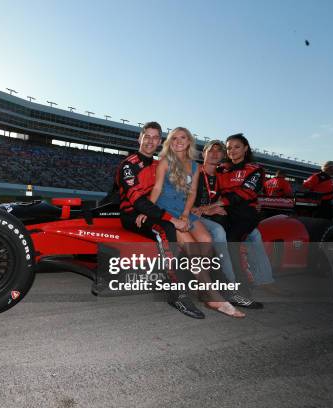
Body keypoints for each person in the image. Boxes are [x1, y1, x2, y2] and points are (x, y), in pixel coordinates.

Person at [150, 127, 245, 318]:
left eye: (182, 137)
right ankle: (213, 296)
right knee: (193, 246)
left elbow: (192, 193)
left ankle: (201, 286)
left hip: (184, 210)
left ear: (189, 141)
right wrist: (148, 210)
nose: (178, 141)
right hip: (166, 210)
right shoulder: (164, 162)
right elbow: (157, 188)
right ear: (170, 142)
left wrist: (185, 214)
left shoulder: (194, 166)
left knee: (207, 240)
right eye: (174, 138)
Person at [115, 121, 204, 319]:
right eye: (147, 136)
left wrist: (189, 210)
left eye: (155, 137)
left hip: (153, 212)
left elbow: (182, 187)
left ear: (160, 142)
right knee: (166, 229)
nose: (150, 141)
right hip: (134, 215)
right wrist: (171, 219)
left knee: (187, 234)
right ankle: (176, 294)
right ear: (140, 138)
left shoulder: (159, 163)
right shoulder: (128, 165)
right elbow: (138, 202)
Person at [191, 140, 269, 308]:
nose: (215, 153)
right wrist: (206, 210)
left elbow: (237, 193)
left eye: (219, 150)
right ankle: (230, 289)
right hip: (195, 216)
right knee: (220, 232)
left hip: (216, 214)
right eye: (211, 150)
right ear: (203, 153)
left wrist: (253, 203)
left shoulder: (221, 173)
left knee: (253, 233)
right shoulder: (193, 171)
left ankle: (260, 279)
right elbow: (180, 201)